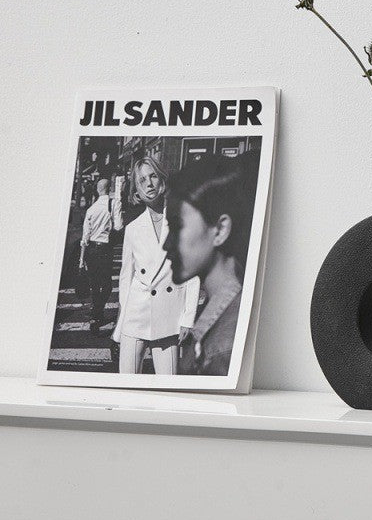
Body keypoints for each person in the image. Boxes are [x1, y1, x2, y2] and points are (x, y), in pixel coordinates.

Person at [164, 153, 258, 376]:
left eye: (177, 227)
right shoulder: (222, 313)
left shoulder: (224, 348)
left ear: (220, 230)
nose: (166, 244)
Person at [112, 156, 200, 374]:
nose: (149, 184)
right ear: (137, 191)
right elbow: (126, 278)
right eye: (142, 180)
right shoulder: (133, 229)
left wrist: (188, 319)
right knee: (128, 384)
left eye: (153, 177)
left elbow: (193, 273)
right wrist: (122, 319)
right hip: (135, 314)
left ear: (162, 180)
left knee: (167, 386)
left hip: (168, 316)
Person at [80, 178, 123, 335]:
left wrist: (81, 260)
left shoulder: (91, 209)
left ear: (98, 190)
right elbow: (119, 226)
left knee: (95, 284)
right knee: (106, 285)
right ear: (109, 189)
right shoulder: (114, 204)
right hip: (105, 249)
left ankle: (96, 314)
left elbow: (85, 238)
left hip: (91, 249)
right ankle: (97, 313)